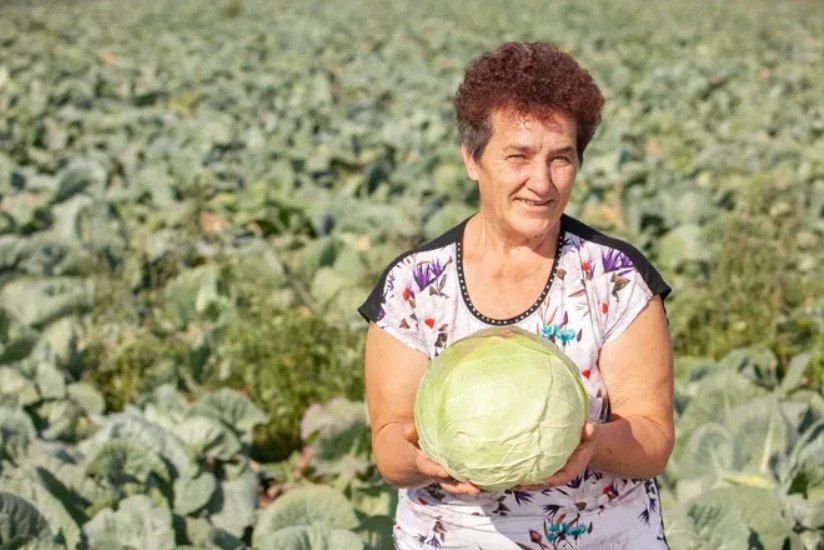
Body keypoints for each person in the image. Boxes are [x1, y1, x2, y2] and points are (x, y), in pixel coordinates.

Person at [358, 41, 674, 549]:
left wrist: (588, 445)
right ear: (471, 159)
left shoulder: (615, 278)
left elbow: (652, 441)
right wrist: (420, 459)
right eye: (518, 156)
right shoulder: (413, 287)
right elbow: (389, 442)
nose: (542, 183)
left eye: (561, 159)